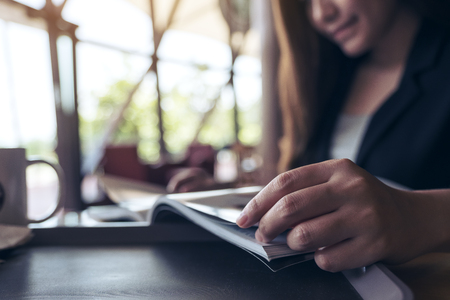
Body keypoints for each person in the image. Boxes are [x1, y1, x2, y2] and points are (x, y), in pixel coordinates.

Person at [169, 0, 450, 272]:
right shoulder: (330, 79)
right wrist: (230, 201)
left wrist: (414, 215)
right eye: (305, 1)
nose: (320, 14)